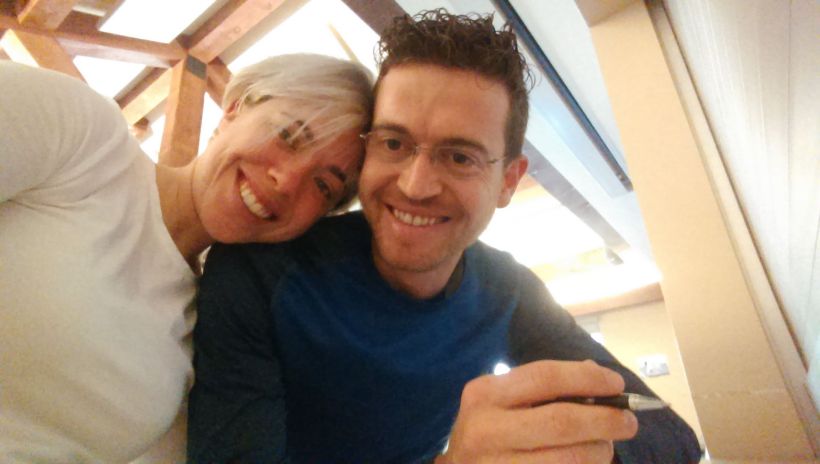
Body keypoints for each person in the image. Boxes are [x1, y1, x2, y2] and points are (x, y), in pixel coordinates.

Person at [188, 9, 703, 464]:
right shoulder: (258, 272)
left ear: (508, 181)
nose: (415, 186)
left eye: (459, 157)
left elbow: (669, 436)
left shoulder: (508, 290)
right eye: (394, 143)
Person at [0, 53, 372, 463]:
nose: (286, 181)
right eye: (289, 134)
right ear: (236, 108)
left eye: (323, 186)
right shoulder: (87, 139)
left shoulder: (210, 332)